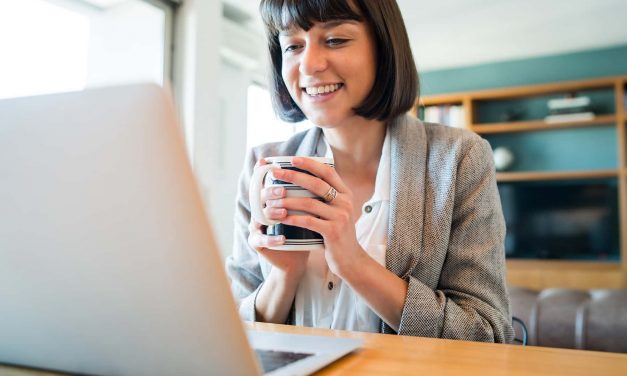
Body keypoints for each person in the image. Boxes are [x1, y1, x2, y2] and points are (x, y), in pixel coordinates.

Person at [226, 0, 514, 343]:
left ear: (383, 47)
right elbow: (233, 329)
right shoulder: (265, 165)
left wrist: (354, 263)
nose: (310, 65)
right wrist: (283, 277)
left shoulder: (459, 159)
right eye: (293, 46)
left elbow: (486, 333)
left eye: (335, 40)